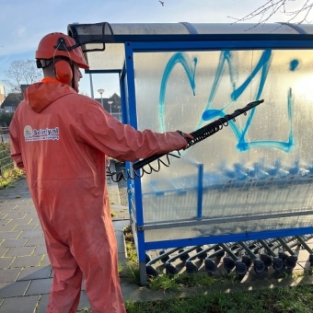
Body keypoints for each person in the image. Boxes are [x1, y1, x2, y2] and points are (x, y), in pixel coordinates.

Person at [9, 32, 192, 313]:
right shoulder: (80, 107)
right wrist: (173, 139)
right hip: (84, 215)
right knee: (103, 287)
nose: (80, 78)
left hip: (48, 214)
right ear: (63, 68)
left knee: (64, 281)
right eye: (78, 71)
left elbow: (20, 160)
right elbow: (128, 144)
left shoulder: (21, 111)